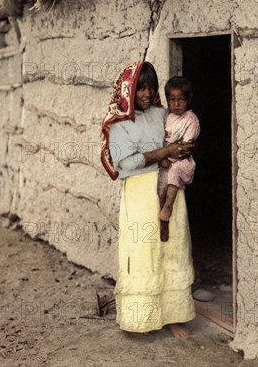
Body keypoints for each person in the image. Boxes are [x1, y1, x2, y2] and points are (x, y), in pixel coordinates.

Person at [100, 61, 196, 338]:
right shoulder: (119, 124)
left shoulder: (162, 113)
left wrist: (181, 149)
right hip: (141, 193)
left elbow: (182, 139)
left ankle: (173, 315)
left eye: (151, 87)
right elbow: (125, 164)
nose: (146, 93)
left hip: (168, 188)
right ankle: (142, 319)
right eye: (140, 87)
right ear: (129, 90)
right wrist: (164, 150)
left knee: (173, 248)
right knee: (145, 252)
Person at [157, 77, 200, 242]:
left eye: (181, 99)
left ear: (188, 100)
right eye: (172, 100)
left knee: (174, 172)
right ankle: (162, 224)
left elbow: (185, 147)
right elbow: (160, 137)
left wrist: (168, 158)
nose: (176, 104)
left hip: (182, 162)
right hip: (165, 158)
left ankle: (168, 208)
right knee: (159, 184)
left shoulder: (191, 120)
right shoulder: (167, 116)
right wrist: (162, 157)